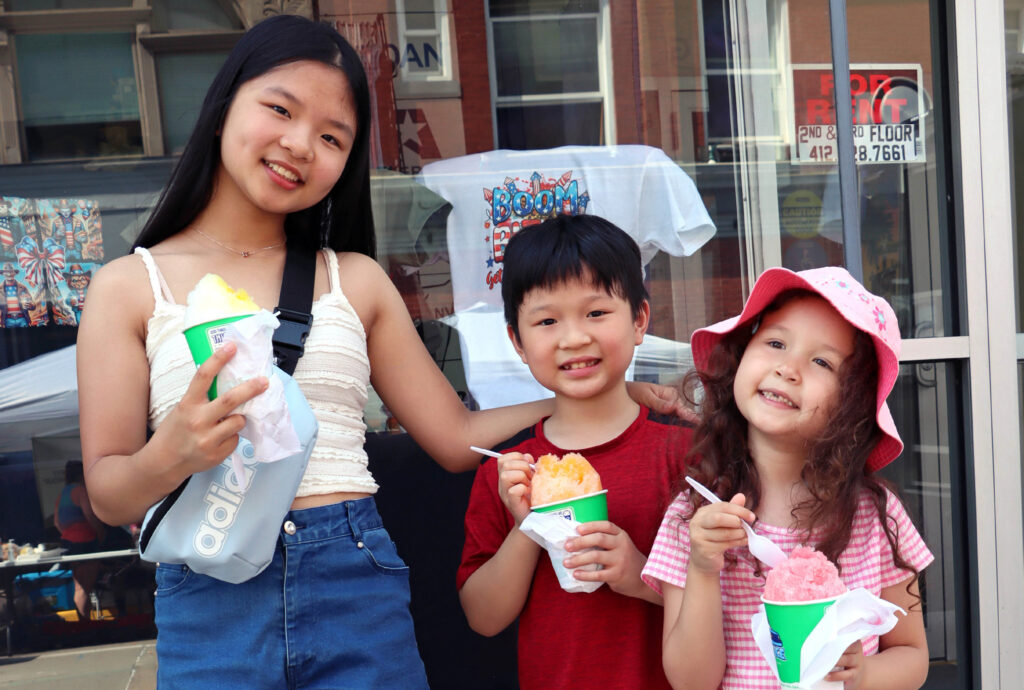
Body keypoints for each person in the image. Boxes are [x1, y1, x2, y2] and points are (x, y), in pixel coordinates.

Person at [76, 15, 677, 688]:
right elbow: (108, 493)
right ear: (223, 106)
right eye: (280, 109)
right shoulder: (128, 286)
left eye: (332, 137)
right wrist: (172, 453)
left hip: (352, 582)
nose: (300, 145)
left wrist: (599, 397)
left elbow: (455, 437)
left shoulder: (354, 280)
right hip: (209, 594)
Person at [642, 266, 934, 689]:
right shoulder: (695, 516)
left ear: (852, 404)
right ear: (740, 357)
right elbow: (691, 682)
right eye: (776, 343)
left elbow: (913, 655)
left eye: (821, 361)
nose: (788, 368)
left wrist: (863, 674)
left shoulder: (876, 516)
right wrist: (703, 568)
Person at [457, 214, 693, 690]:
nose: (573, 338)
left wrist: (640, 574)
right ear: (517, 341)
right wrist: (528, 526)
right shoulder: (507, 474)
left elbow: (733, 598)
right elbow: (483, 617)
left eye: (596, 313)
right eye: (547, 321)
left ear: (639, 320)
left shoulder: (684, 456)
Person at [53, 460, 105, 620]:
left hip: (68, 543)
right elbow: (90, 516)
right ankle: (85, 625)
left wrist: (69, 535)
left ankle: (85, 622)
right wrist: (101, 533)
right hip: (85, 542)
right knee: (84, 588)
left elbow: (57, 522)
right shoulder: (81, 491)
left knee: (80, 587)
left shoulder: (62, 493)